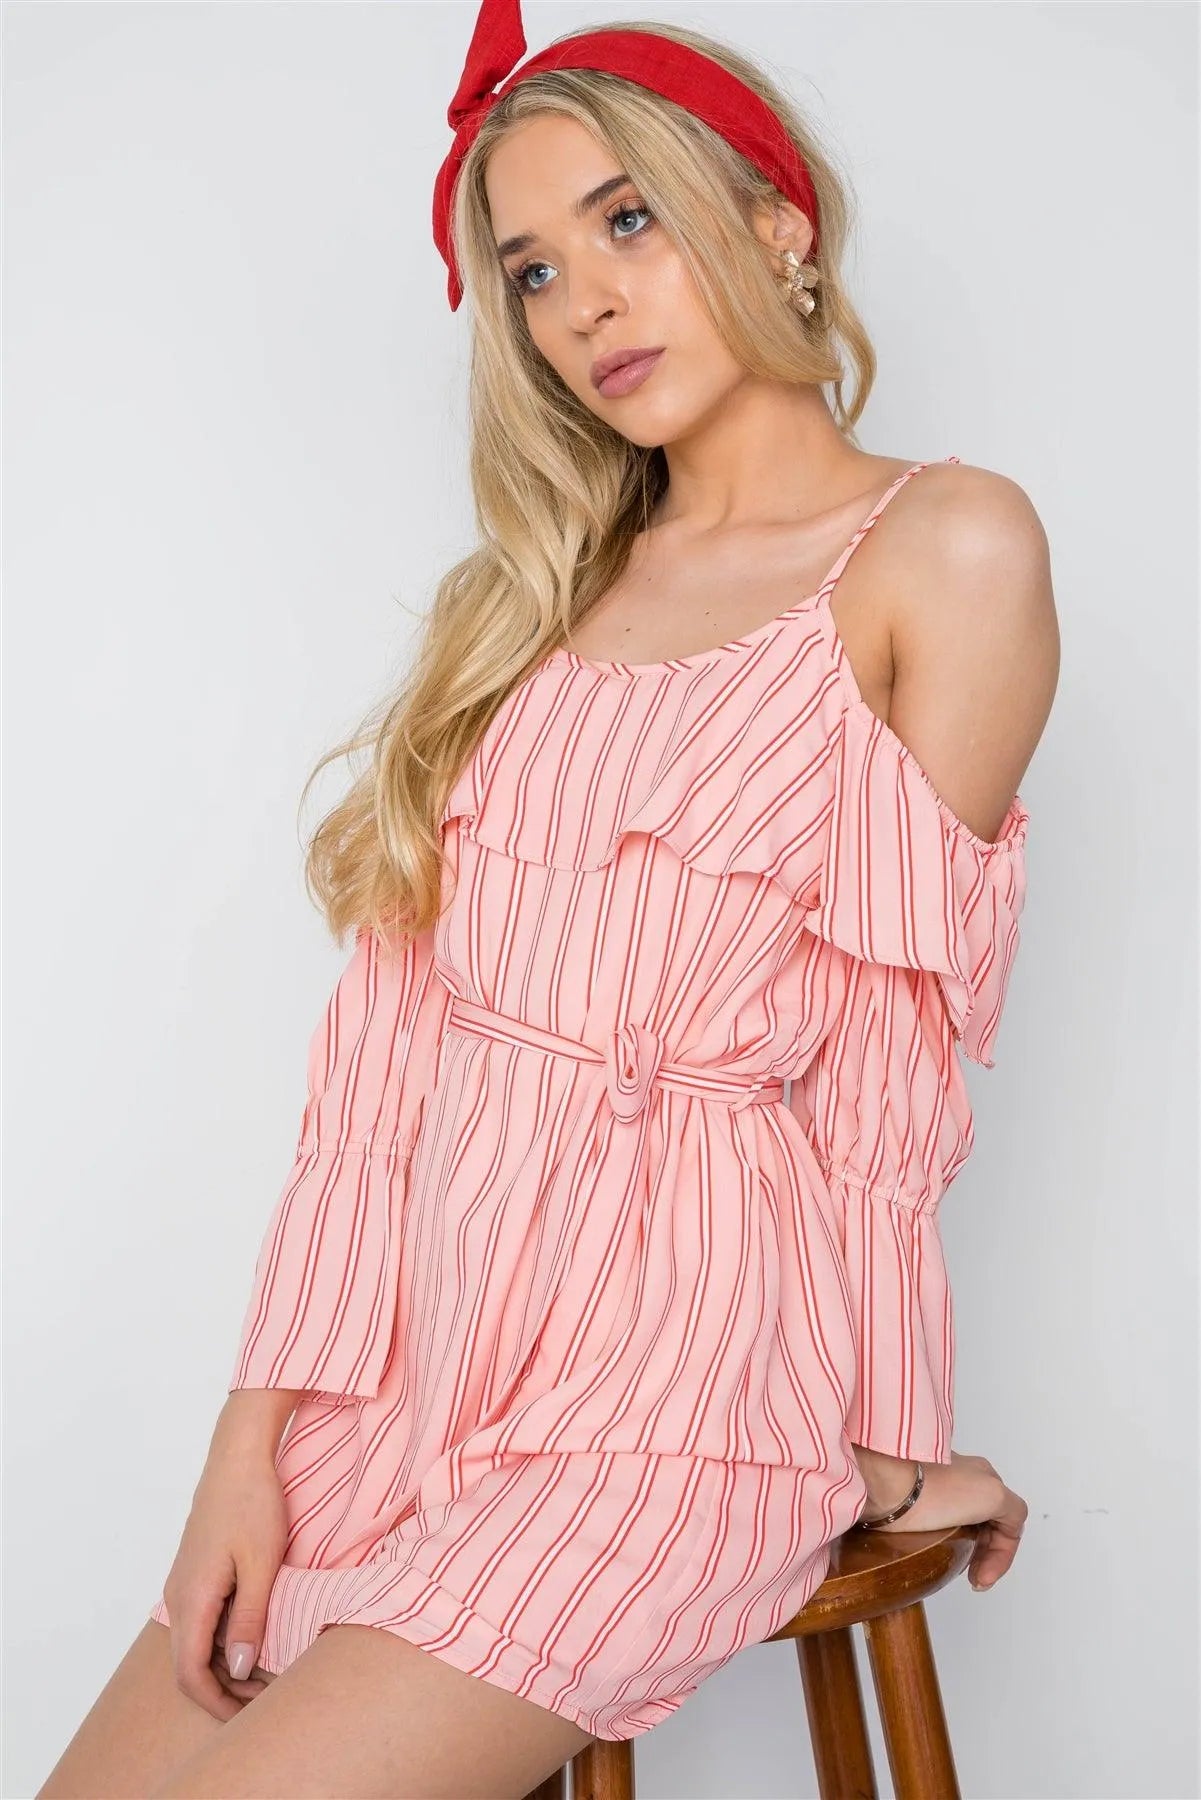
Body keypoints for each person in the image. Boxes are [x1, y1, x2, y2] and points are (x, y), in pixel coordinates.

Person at [38, 2, 1058, 1795]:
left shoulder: (943, 548)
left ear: (776, 223)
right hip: (404, 1384)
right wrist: (246, 1448)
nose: (582, 301)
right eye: (527, 270)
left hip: (674, 1410)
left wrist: (891, 1445)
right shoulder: (529, 598)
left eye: (625, 220)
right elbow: (378, 1076)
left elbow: (891, 1075)